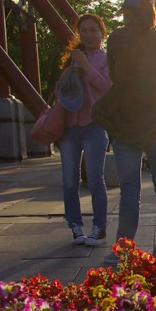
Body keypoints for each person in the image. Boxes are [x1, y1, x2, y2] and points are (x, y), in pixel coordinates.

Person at [102, 0, 156, 263]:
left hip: (127, 122)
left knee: (130, 191)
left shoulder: (118, 39)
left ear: (128, 12)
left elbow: (114, 76)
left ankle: (123, 251)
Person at [58, 13, 111, 247]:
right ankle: (74, 225)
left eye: (93, 30)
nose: (89, 34)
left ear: (102, 33)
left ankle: (99, 227)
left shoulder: (106, 59)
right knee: (69, 180)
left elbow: (107, 87)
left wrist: (85, 65)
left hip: (94, 125)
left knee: (95, 179)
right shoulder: (71, 59)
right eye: (84, 30)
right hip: (68, 126)